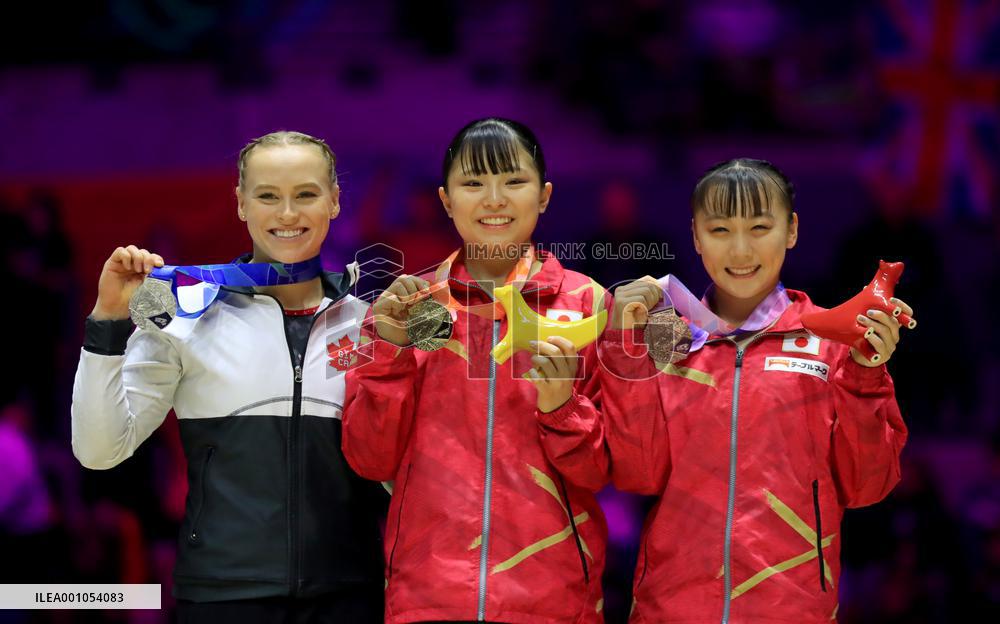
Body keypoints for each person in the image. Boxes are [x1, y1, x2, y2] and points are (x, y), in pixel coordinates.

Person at [549, 158, 911, 622]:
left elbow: (866, 487)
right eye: (720, 230)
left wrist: (865, 376)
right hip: (671, 609)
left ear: (792, 229)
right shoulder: (667, 339)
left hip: (791, 610)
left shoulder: (832, 346)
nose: (740, 250)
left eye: (761, 227)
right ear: (696, 236)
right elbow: (638, 473)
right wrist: (623, 347)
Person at [71, 131, 385, 623]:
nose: (287, 214)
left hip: (350, 594)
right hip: (222, 595)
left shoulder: (372, 325)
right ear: (240, 204)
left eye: (305, 194)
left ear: (335, 201)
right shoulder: (187, 317)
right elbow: (98, 449)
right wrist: (107, 322)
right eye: (267, 196)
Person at [342, 118, 610, 623]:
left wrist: (562, 410)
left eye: (513, 181)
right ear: (446, 201)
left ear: (544, 194)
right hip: (429, 596)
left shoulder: (591, 306)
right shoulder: (405, 308)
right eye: (473, 184)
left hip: (553, 598)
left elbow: (606, 470)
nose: (494, 199)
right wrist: (391, 351)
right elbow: (369, 460)